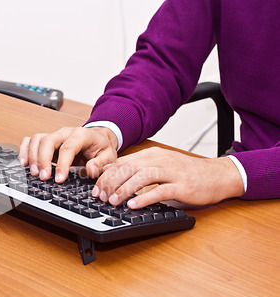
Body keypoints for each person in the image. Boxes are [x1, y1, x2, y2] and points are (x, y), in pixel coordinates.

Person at [18, 0, 280, 210]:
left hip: (248, 179)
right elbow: (163, 60)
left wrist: (222, 174)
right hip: (246, 183)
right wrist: (106, 130)